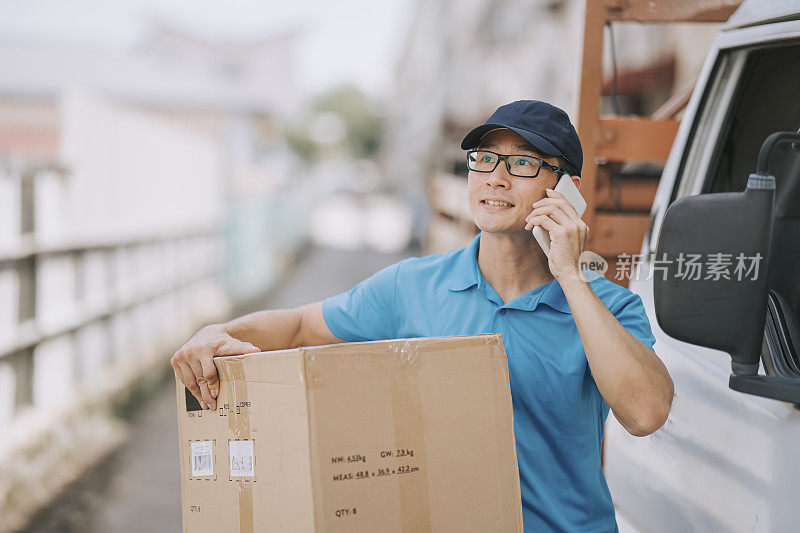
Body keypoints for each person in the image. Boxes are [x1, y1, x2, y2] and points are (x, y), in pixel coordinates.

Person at [171, 100, 674, 532]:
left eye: (523, 163)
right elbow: (301, 327)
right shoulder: (412, 286)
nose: (496, 178)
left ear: (564, 189)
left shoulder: (606, 307)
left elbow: (645, 413)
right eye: (484, 159)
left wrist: (570, 275)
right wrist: (219, 332)